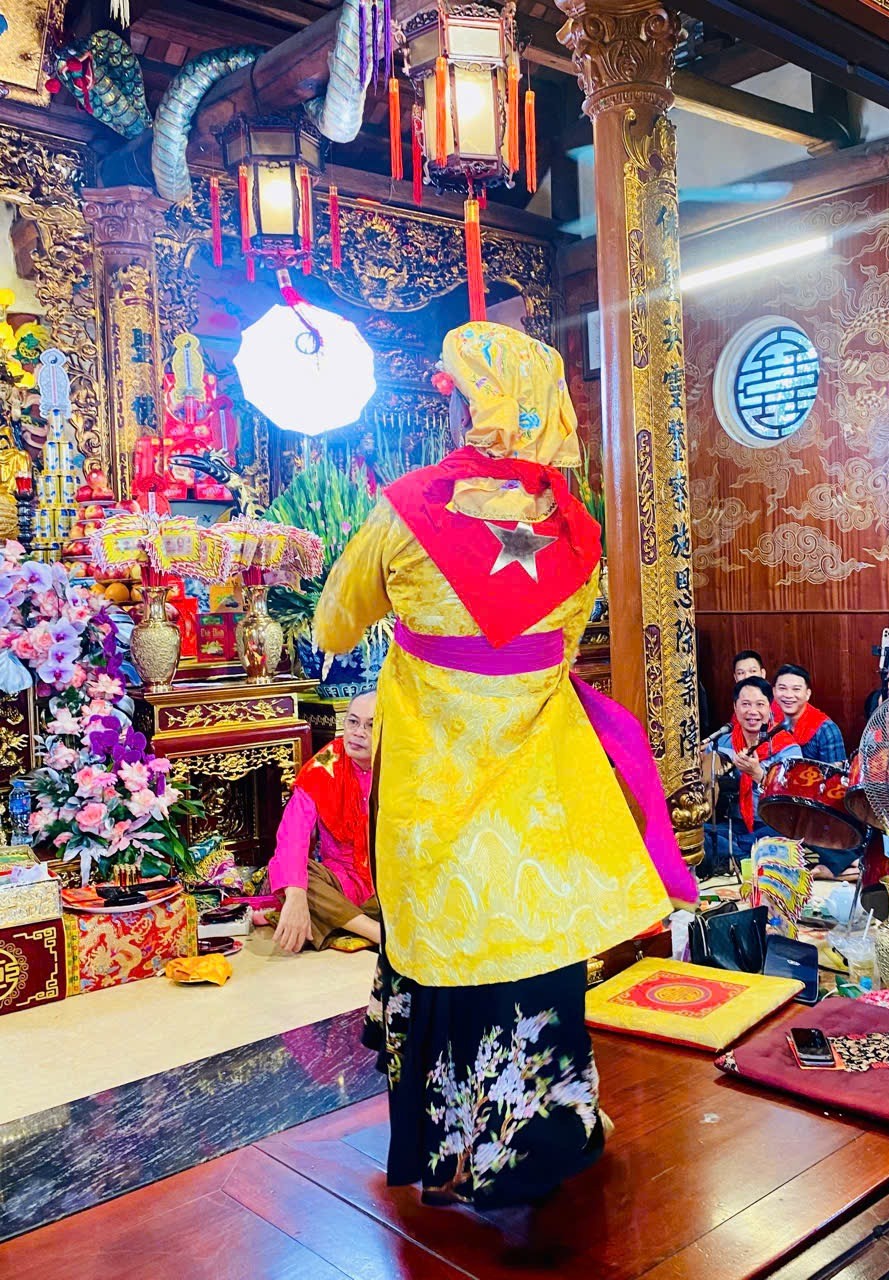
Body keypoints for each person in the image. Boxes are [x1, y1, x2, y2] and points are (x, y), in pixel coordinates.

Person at [313, 321, 696, 1212]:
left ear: (471, 408)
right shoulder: (576, 530)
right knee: (536, 956)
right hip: (537, 791)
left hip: (432, 792)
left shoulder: (405, 509)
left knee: (442, 956)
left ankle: (448, 1154)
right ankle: (546, 1136)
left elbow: (332, 623)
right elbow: (559, 643)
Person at [268, 691, 381, 954]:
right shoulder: (325, 764)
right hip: (342, 884)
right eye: (353, 722)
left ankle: (338, 921)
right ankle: (379, 934)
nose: (358, 733)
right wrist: (296, 894)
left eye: (371, 725)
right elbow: (293, 834)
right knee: (293, 877)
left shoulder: (402, 768)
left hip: (388, 884)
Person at [699, 676, 802, 874]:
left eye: (759, 704)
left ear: (770, 708)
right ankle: (746, 857)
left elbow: (791, 798)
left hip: (769, 826)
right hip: (731, 826)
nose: (752, 711)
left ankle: (736, 857)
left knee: (791, 835)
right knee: (696, 835)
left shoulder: (788, 748)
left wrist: (758, 774)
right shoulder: (721, 743)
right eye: (745, 704)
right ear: (735, 708)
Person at [772, 664, 846, 763]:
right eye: (782, 688)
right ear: (774, 691)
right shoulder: (768, 722)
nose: (788, 695)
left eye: (796, 689)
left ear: (807, 694)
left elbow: (837, 772)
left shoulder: (826, 729)